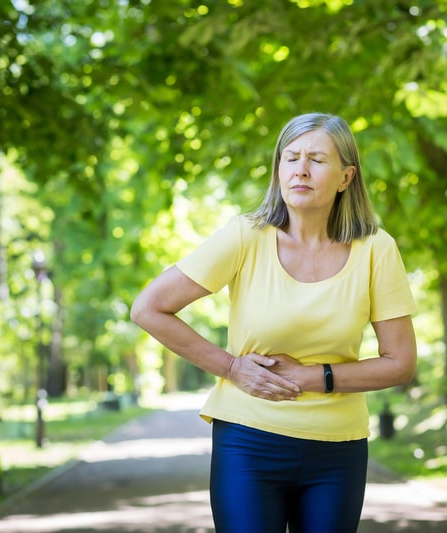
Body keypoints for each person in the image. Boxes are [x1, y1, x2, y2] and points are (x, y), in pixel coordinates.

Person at [130, 112, 417, 533]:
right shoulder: (245, 236)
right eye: (291, 157)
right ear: (278, 169)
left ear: (346, 177)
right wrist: (231, 368)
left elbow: (400, 362)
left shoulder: (376, 248)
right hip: (248, 442)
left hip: (337, 450)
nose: (300, 169)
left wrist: (306, 377)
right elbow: (148, 308)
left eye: (317, 159)